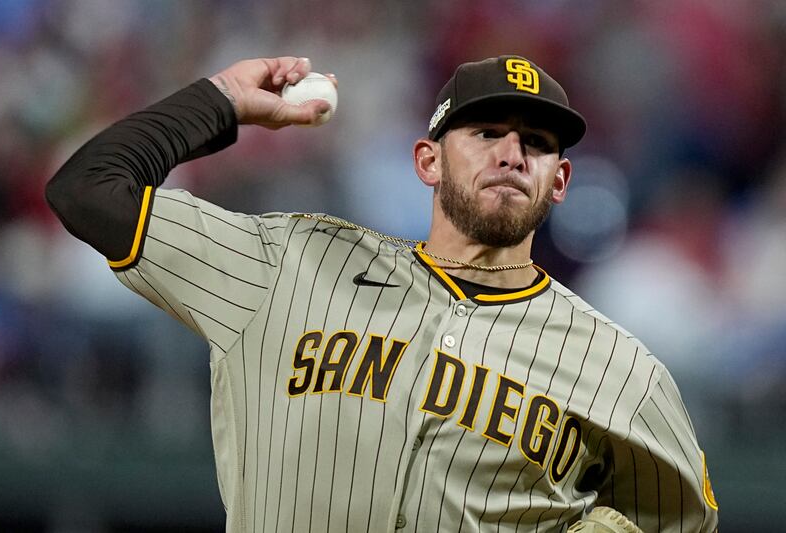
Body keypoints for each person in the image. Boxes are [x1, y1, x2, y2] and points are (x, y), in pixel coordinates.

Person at [46, 55, 719, 532]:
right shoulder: (285, 264)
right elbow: (87, 189)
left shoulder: (620, 368)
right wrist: (221, 98)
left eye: (536, 143)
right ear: (427, 159)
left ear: (561, 179)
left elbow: (682, 520)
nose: (513, 153)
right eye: (487, 133)